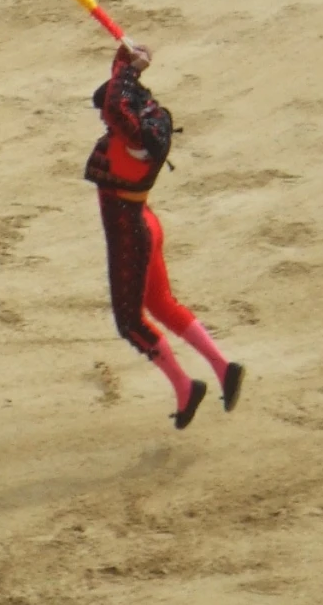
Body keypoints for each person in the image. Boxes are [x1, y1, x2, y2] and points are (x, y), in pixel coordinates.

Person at [84, 40, 244, 431]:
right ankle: (223, 367)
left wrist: (131, 68)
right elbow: (121, 101)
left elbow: (116, 107)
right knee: (161, 302)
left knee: (130, 322)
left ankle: (185, 386)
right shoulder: (149, 125)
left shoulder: (134, 139)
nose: (105, 123)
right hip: (145, 223)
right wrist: (124, 62)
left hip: (130, 233)